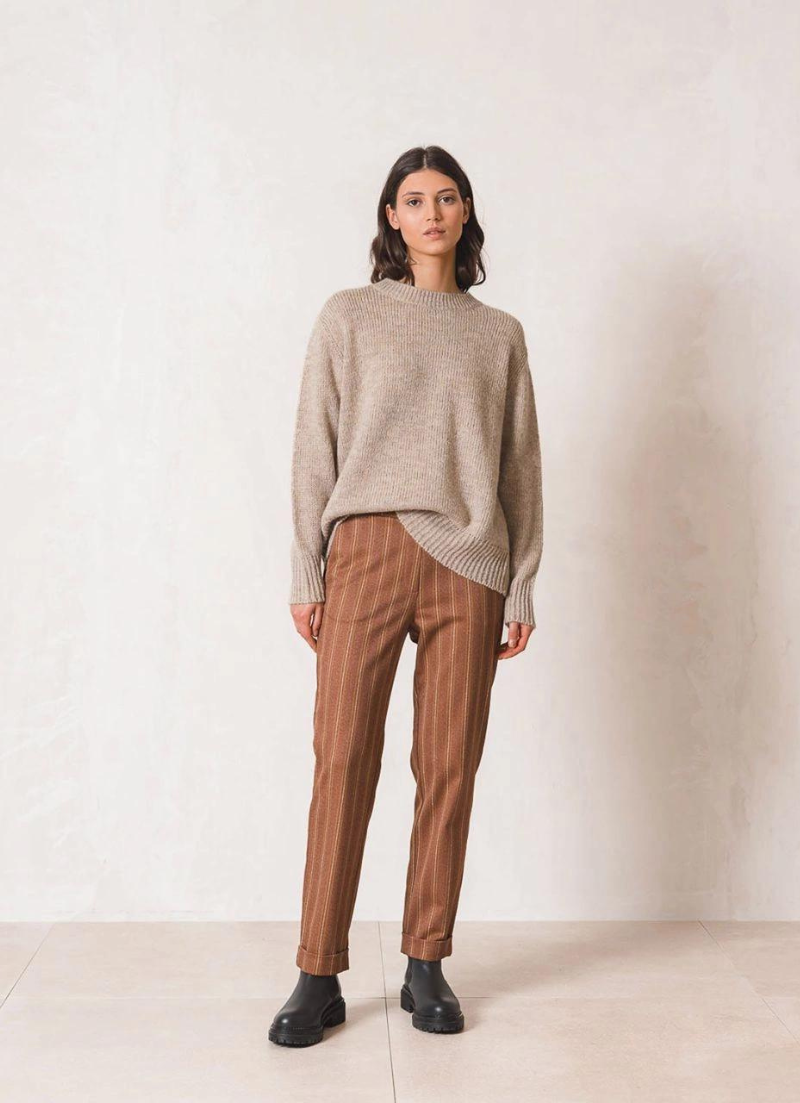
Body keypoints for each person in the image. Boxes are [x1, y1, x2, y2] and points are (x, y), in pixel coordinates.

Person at [269, 145, 543, 1047]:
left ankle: (427, 960)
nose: (432, 212)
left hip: (471, 562)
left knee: (449, 766)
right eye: (414, 199)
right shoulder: (349, 315)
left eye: (447, 197)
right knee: (342, 756)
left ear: (466, 214)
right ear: (392, 215)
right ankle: (318, 971)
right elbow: (314, 443)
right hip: (368, 550)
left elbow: (519, 465)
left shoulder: (498, 333)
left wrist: (521, 583)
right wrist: (307, 569)